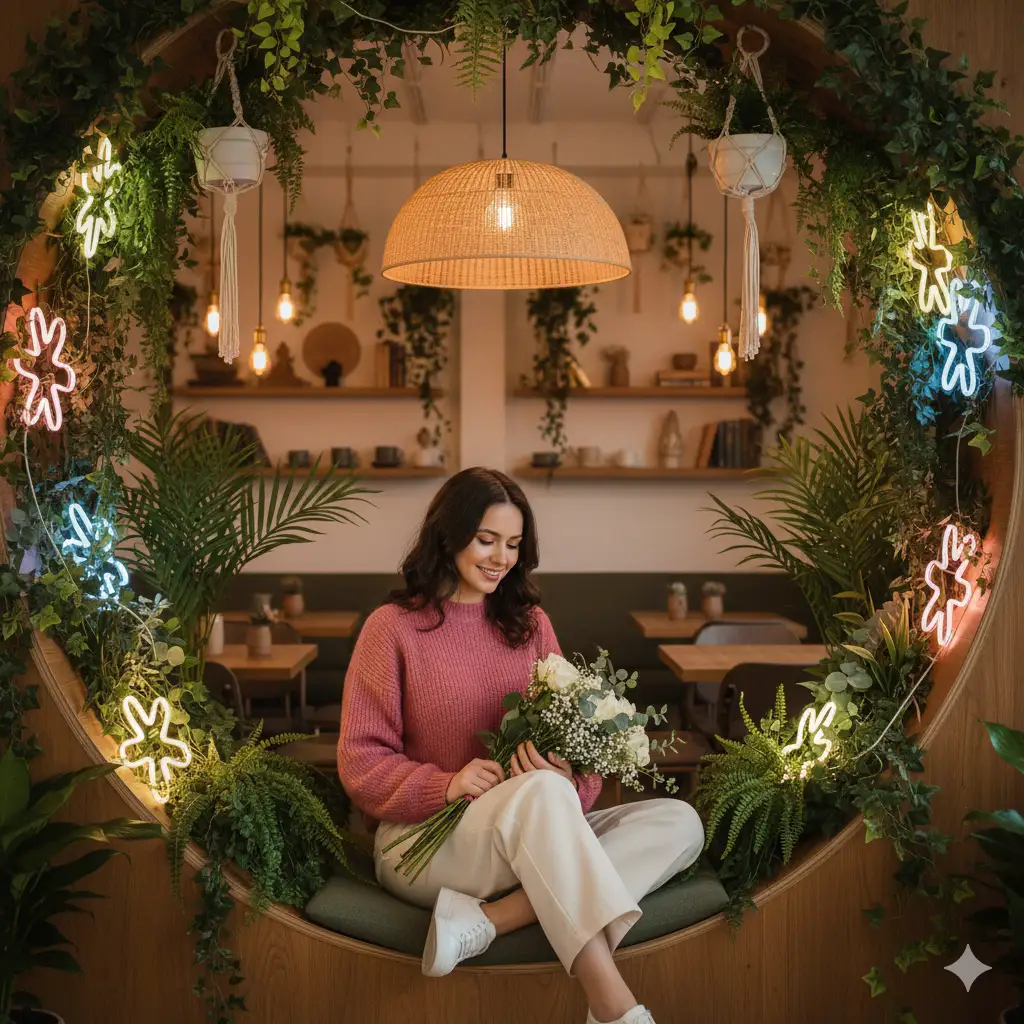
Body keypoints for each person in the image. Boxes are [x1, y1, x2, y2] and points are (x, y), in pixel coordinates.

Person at [338, 467, 704, 1024]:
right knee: (541, 796)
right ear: (448, 534)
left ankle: (489, 921)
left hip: (534, 835)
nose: (500, 558)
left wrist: (566, 777)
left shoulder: (530, 626)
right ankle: (613, 1008)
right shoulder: (391, 628)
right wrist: (447, 783)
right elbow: (360, 762)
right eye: (486, 540)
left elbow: (581, 761)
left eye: (512, 545)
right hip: (423, 844)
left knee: (679, 824)